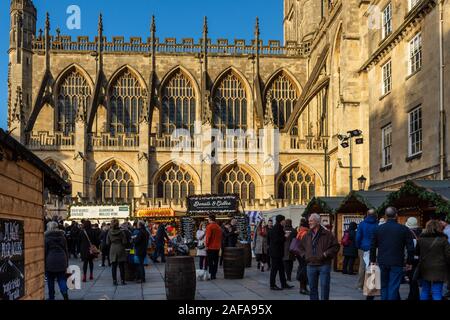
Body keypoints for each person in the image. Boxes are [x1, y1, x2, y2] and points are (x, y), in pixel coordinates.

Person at [370, 207, 415, 300]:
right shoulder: (404, 229)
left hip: (382, 261)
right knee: (393, 287)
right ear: (396, 215)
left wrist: (372, 260)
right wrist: (409, 262)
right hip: (397, 261)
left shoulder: (378, 229)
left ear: (385, 216)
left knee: (384, 286)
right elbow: (410, 248)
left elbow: (373, 246)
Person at [299, 213, 340, 300]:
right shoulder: (307, 235)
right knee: (312, 288)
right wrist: (305, 255)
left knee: (325, 287)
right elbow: (300, 247)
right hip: (310, 265)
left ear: (317, 222)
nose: (309, 223)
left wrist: (326, 254)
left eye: (311, 221)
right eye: (309, 221)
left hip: (324, 264)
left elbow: (336, 246)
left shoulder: (327, 234)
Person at [416, 219, 450, 300]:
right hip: (439, 268)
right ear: (439, 227)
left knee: (425, 290)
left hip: (425, 268)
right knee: (437, 291)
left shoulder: (421, 239)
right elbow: (448, 255)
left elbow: (417, 253)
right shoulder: (443, 240)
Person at [268, 215, 293, 290]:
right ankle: (272, 285)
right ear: (281, 221)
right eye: (284, 220)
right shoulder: (276, 228)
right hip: (276, 253)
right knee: (274, 269)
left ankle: (284, 284)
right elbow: (276, 240)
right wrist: (285, 236)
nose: (285, 221)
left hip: (277, 252)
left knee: (281, 269)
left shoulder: (278, 227)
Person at [45, 221, 69, 300]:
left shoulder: (46, 238)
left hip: (50, 261)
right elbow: (66, 250)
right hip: (62, 259)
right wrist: (67, 263)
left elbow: (45, 251)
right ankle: (65, 293)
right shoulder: (62, 237)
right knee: (61, 279)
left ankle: (51, 297)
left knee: (50, 281)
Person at [355, 209, 378, 290]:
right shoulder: (377, 224)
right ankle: (371, 285)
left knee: (362, 266)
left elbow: (358, 237)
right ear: (375, 215)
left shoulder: (362, 224)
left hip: (363, 247)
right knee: (373, 265)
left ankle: (360, 285)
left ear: (367, 214)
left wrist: (358, 246)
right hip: (374, 247)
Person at [405, 217, 422, 300]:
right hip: (420, 258)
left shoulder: (409, 233)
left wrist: (408, 261)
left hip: (412, 258)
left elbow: (409, 249)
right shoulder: (420, 232)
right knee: (414, 279)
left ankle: (413, 297)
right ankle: (413, 296)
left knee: (412, 279)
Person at [107, 219, 128, 286]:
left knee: (114, 266)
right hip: (120, 248)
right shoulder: (121, 232)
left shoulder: (109, 232)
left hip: (113, 249)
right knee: (121, 266)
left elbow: (107, 242)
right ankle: (122, 280)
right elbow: (125, 242)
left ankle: (114, 281)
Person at [205, 214, 223, 280]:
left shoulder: (209, 226)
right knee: (215, 261)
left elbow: (208, 237)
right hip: (217, 247)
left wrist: (206, 245)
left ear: (210, 219)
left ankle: (211, 274)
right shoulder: (218, 227)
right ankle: (214, 274)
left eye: (208, 219)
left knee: (210, 261)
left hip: (210, 247)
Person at [296, 218, 310, 295]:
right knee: (304, 270)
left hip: (299, 254)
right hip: (303, 254)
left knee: (302, 268)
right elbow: (305, 244)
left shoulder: (300, 232)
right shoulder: (305, 233)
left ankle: (303, 288)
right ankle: (303, 288)